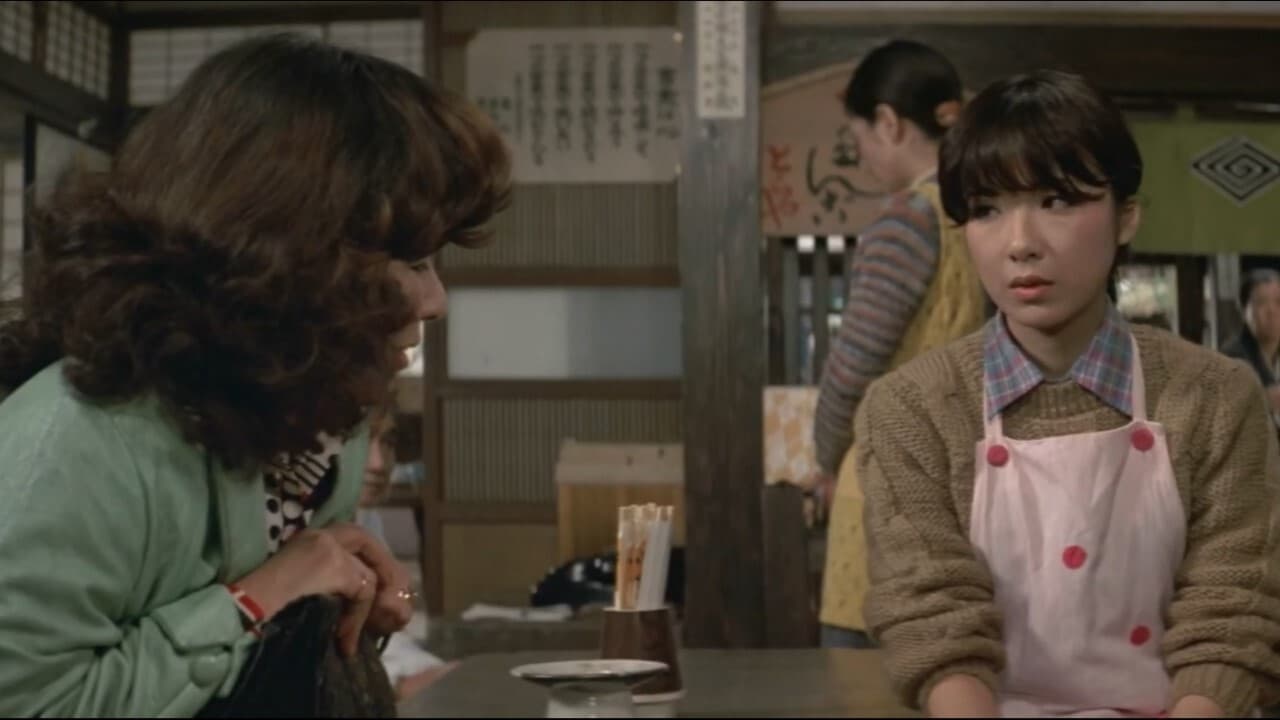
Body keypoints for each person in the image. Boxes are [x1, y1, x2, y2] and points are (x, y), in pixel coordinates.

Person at [0, 33, 510, 716]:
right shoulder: (81, 441)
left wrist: (340, 590)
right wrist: (253, 599)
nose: (436, 299)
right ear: (285, 251)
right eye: (412, 261)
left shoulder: (320, 416)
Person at [857, 68, 1280, 717]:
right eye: (988, 209)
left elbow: (1232, 610)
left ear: (1125, 217)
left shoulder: (1217, 396)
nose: (1020, 244)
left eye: (1056, 200)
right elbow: (933, 617)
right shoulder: (910, 408)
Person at [813, 39, 988, 650]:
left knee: (861, 675)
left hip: (887, 476)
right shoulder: (985, 215)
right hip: (969, 478)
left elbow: (853, 366)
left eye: (859, 136)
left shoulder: (907, 220)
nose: (862, 154)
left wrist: (825, 456)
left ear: (888, 122)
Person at [354, 392, 459, 701]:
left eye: (387, 442)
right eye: (361, 442)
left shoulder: (367, 519)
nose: (378, 463)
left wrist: (403, 596)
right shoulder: (302, 532)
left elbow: (402, 602)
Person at [1222, 268, 1280, 425]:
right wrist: (1264, 398)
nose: (1272, 311)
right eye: (1261, 302)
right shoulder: (1232, 357)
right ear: (1243, 310)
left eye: (1278, 302)